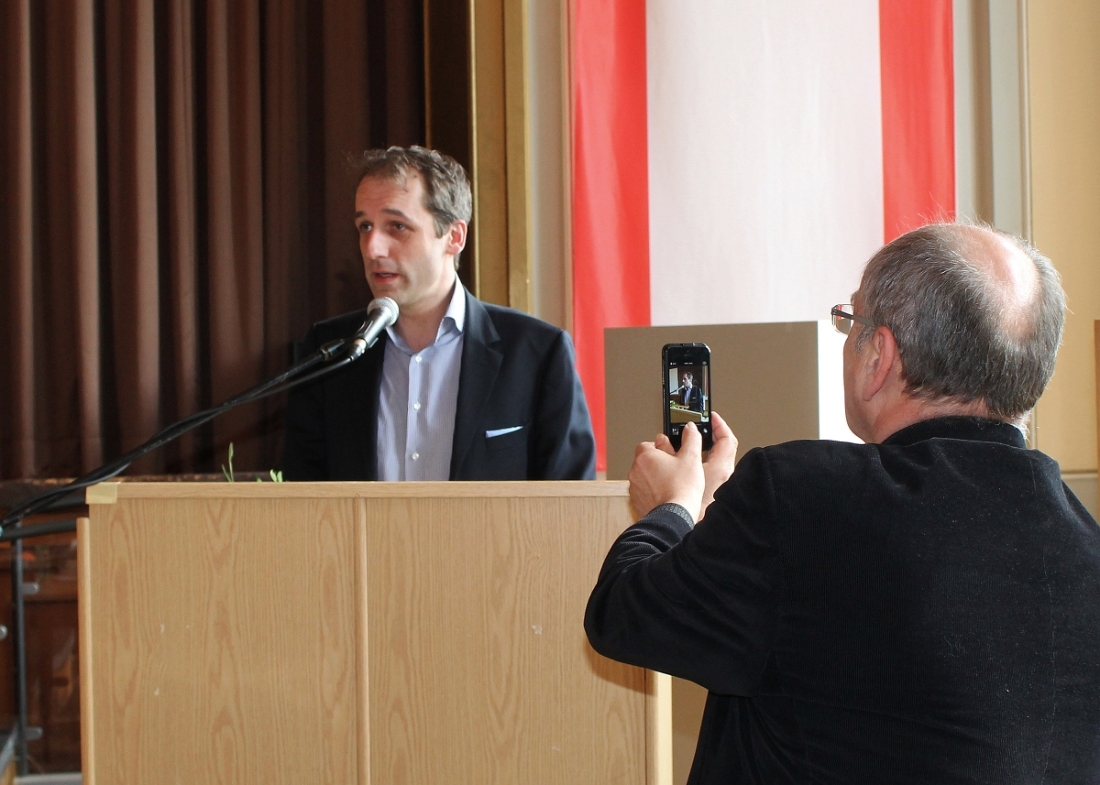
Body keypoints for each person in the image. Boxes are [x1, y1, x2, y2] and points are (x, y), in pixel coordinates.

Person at [585, 223, 1100, 784]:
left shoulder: (800, 496)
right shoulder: (1085, 546)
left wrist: (673, 508)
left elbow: (622, 615)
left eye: (851, 322)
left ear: (879, 355)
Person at [282, 146, 596, 481]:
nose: (373, 248)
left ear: (454, 237)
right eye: (365, 226)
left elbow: (570, 497)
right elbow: (304, 498)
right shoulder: (331, 353)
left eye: (397, 226)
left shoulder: (537, 353)